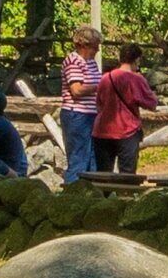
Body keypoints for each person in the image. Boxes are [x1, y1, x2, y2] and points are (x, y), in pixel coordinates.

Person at [92, 43, 157, 176]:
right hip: (127, 131)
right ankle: (125, 196)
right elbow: (152, 104)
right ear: (136, 60)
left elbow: (99, 104)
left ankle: (103, 196)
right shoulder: (136, 79)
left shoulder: (105, 78)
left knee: (103, 174)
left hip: (103, 131)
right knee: (127, 175)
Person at [57, 25, 104, 182]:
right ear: (83, 45)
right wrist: (101, 86)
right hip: (76, 115)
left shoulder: (91, 63)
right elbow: (76, 90)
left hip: (91, 115)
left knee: (93, 158)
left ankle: (92, 194)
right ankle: (72, 192)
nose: (97, 50)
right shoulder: (73, 61)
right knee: (79, 158)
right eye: (94, 46)